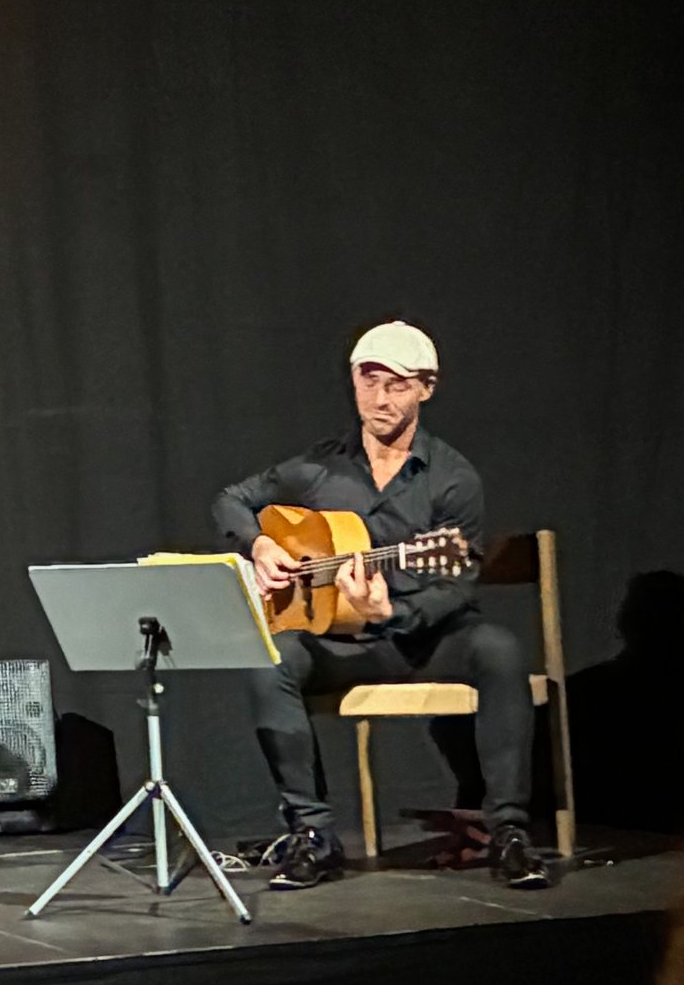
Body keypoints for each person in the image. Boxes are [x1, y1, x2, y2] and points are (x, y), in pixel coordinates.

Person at [212, 320, 549, 891]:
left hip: (426, 640)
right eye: (369, 382)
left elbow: (456, 586)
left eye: (397, 385)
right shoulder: (319, 466)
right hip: (345, 644)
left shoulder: (453, 478)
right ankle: (313, 834)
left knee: (500, 649)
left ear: (426, 388)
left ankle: (509, 832)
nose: (380, 398)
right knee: (271, 659)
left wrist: (388, 612)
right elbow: (232, 500)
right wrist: (261, 545)